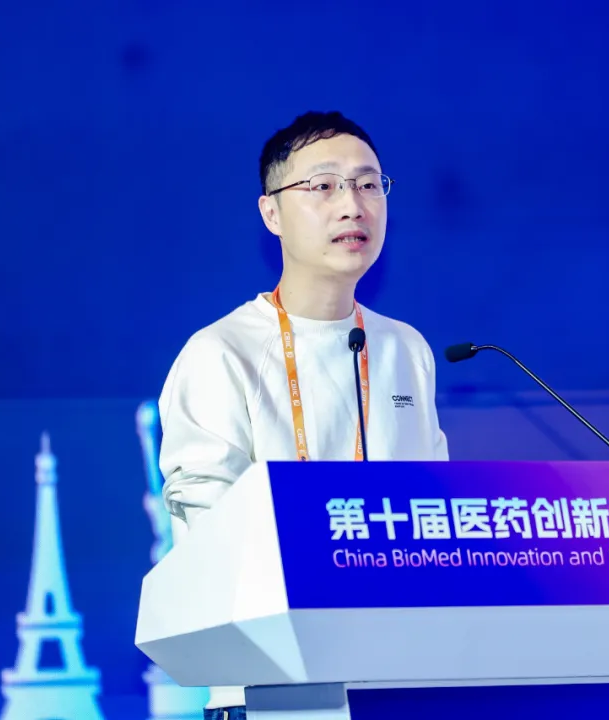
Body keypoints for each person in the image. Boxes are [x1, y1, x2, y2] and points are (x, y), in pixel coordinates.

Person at [156, 110, 449, 719]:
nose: (352, 205)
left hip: (400, 683)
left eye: (368, 184)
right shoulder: (221, 354)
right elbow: (208, 542)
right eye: (323, 186)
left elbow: (435, 514)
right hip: (272, 693)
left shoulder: (406, 349)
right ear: (271, 213)